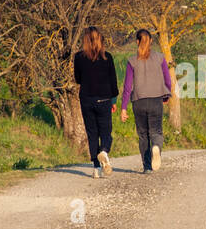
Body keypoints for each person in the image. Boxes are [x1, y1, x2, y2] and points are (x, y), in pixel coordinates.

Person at [120, 29, 171, 173]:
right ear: (151, 42)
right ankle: (156, 147)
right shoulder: (160, 58)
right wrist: (166, 95)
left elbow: (127, 86)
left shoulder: (132, 61)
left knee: (143, 135)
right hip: (156, 99)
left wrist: (124, 108)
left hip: (139, 101)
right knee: (156, 132)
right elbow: (168, 80)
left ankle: (147, 166)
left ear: (137, 41)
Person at [72, 27, 119, 178]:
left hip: (86, 99)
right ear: (100, 39)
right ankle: (104, 151)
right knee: (106, 131)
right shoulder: (107, 57)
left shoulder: (78, 57)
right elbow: (113, 81)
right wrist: (114, 100)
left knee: (92, 133)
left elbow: (78, 79)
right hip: (104, 98)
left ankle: (96, 168)